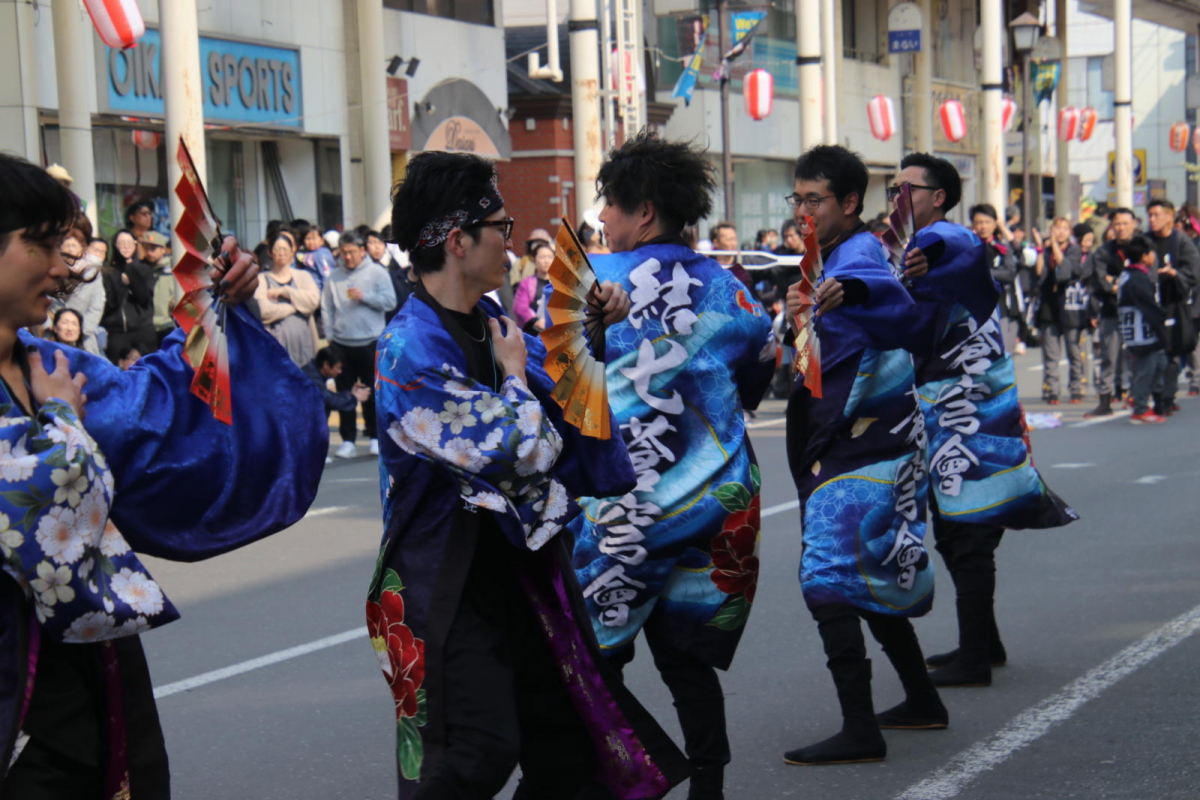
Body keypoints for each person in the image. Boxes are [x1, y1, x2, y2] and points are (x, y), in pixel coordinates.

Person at [0, 153, 326, 800]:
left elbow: (161, 412)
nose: (63, 268)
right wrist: (63, 422)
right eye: (41, 246)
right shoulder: (60, 387)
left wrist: (218, 305)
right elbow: (37, 501)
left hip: (90, 665)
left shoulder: (54, 365)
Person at [377, 149, 687, 799]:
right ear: (458, 240)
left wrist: (586, 334)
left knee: (569, 743)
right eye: (503, 227)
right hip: (445, 577)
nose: (513, 243)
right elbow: (522, 449)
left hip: (515, 568)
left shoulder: (490, 321)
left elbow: (557, 404)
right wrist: (517, 379)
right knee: (473, 754)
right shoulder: (410, 348)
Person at [568, 133, 775, 800]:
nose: (602, 219)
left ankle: (632, 772)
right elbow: (755, 375)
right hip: (713, 500)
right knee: (686, 664)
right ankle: (707, 788)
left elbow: (560, 385)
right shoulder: (732, 292)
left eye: (610, 205)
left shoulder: (595, 284)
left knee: (596, 662)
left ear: (645, 212)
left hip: (622, 508)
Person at [780, 146, 944, 767]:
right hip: (853, 439)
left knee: (827, 580)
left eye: (814, 199)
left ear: (849, 203)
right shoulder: (823, 258)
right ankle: (923, 698)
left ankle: (859, 726)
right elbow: (810, 352)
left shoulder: (860, 256)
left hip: (864, 444)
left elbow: (894, 304)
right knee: (863, 579)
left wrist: (845, 290)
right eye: (797, 199)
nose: (803, 210)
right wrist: (794, 321)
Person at [891, 153, 1077, 692]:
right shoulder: (911, 250)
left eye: (909, 189)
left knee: (968, 529)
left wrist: (923, 259)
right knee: (954, 527)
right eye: (893, 190)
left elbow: (964, 256)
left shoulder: (950, 241)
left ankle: (975, 657)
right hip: (945, 412)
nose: (898, 199)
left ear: (939, 198)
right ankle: (984, 642)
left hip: (973, 413)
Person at [322, 230, 395, 458]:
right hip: (342, 342)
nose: (348, 257)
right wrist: (329, 335)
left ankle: (374, 436)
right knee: (346, 392)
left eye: (352, 252)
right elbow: (327, 308)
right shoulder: (333, 276)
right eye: (344, 253)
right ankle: (348, 440)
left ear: (362, 251)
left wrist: (365, 296)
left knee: (372, 391)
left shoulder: (377, 272)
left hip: (370, 340)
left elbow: (390, 301)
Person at [1145, 199, 1198, 415]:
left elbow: (1194, 271)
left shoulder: (1181, 241)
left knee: (1172, 352)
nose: (1152, 219)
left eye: (1157, 215)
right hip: (1150, 304)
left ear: (1169, 216)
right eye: (1150, 215)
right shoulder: (1144, 241)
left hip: (1174, 304)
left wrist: (1175, 273)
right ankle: (1153, 394)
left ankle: (1166, 396)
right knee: (1150, 353)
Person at [1086, 208, 1138, 416]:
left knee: (1136, 354)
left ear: (1133, 224)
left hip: (1137, 309)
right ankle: (1105, 399)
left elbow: (1144, 277)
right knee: (1109, 355)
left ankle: (1136, 396)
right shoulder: (1104, 251)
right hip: (1110, 309)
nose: (1121, 228)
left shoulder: (1142, 246)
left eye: (1125, 223)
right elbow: (1101, 281)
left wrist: (1117, 283)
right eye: (1117, 224)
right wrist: (1119, 284)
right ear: (1111, 227)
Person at [1034, 217, 1089, 404]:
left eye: (1065, 228)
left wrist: (1055, 247)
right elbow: (1039, 273)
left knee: (1074, 351)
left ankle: (1076, 388)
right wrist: (1041, 248)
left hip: (1070, 306)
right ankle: (1052, 390)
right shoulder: (1047, 250)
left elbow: (1065, 270)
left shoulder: (1074, 250)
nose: (1060, 232)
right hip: (1049, 305)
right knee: (1051, 354)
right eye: (1057, 228)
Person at [1118, 235, 1169, 424]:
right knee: (1146, 369)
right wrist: (1163, 318)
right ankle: (1139, 408)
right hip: (1142, 332)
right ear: (1145, 256)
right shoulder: (1136, 278)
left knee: (1160, 364)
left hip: (1139, 330)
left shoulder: (1130, 274)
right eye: (1151, 252)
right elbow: (1149, 306)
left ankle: (1142, 398)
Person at [255, 231, 321, 367]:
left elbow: (313, 301)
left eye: (285, 249)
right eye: (277, 249)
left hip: (305, 347)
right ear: (270, 252)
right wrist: (292, 307)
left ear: (292, 251)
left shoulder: (303, 276)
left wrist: (286, 292)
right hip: (277, 347)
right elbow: (263, 310)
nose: (281, 253)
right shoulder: (262, 279)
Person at [101, 229, 156, 364]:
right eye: (121, 243)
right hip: (117, 331)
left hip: (142, 328)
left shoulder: (145, 269)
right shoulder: (108, 272)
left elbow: (144, 299)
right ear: (115, 246)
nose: (126, 246)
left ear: (135, 245)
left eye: (129, 243)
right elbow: (111, 303)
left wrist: (131, 274)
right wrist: (121, 284)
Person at [52, 222, 106, 357]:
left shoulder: (92, 272)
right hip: (54, 333)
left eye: (74, 245)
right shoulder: (53, 271)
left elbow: (97, 304)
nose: (70, 249)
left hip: (84, 336)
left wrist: (81, 329)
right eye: (67, 245)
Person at [969, 204, 1018, 347]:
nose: (983, 226)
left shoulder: (1001, 248)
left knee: (1003, 353)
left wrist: (984, 273)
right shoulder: (969, 248)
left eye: (987, 222)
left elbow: (1010, 273)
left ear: (995, 224)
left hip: (1001, 307)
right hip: (975, 310)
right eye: (979, 222)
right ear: (973, 224)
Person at [512, 240, 553, 332]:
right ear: (534, 259)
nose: (546, 261)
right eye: (542, 257)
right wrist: (536, 321)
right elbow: (520, 307)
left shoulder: (559, 283)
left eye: (550, 257)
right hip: (534, 331)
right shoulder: (526, 283)